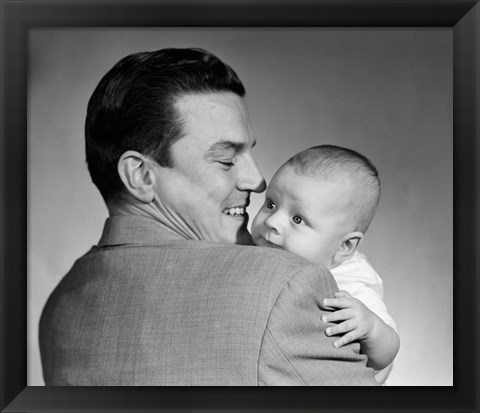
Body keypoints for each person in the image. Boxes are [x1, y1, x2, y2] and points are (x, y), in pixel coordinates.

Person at [39, 48, 378, 386]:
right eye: (227, 160)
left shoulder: (58, 308)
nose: (257, 181)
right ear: (141, 175)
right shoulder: (282, 286)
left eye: (250, 154)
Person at [251, 145, 400, 384]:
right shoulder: (262, 248)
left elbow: (388, 352)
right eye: (270, 204)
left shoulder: (351, 285)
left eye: (298, 219)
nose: (273, 221)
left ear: (344, 247)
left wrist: (369, 326)